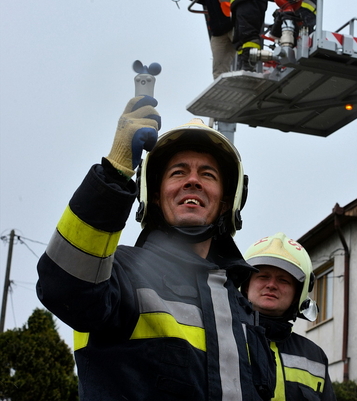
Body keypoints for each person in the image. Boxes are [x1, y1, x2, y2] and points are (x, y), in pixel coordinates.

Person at [36, 96, 275, 400]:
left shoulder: (241, 307)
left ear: (227, 202)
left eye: (207, 174)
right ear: (157, 197)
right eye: (178, 172)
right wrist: (115, 173)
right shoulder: (117, 273)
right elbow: (63, 288)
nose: (193, 181)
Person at [242, 232, 337, 401]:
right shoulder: (222, 337)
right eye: (263, 276)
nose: (271, 285)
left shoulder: (314, 356)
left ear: (297, 294)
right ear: (245, 284)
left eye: (283, 280)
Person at [177, 0, 236, 79]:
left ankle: (255, 71)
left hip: (233, 25)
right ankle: (220, 87)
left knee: (247, 52)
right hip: (218, 33)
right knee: (219, 67)